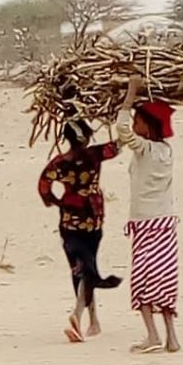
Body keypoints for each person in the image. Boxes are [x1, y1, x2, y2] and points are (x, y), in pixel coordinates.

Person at [38, 120, 122, 343]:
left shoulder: (60, 162)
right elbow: (118, 146)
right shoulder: (94, 155)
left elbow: (43, 184)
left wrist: (53, 201)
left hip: (68, 221)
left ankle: (92, 320)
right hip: (92, 219)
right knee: (88, 265)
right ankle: (79, 314)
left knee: (80, 267)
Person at [116, 76, 180, 354]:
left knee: (142, 280)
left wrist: (130, 94)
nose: (133, 125)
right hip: (166, 224)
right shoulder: (166, 151)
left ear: (148, 127)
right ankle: (171, 337)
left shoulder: (146, 150)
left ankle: (153, 335)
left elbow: (121, 129)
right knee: (164, 278)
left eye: (138, 121)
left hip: (145, 224)